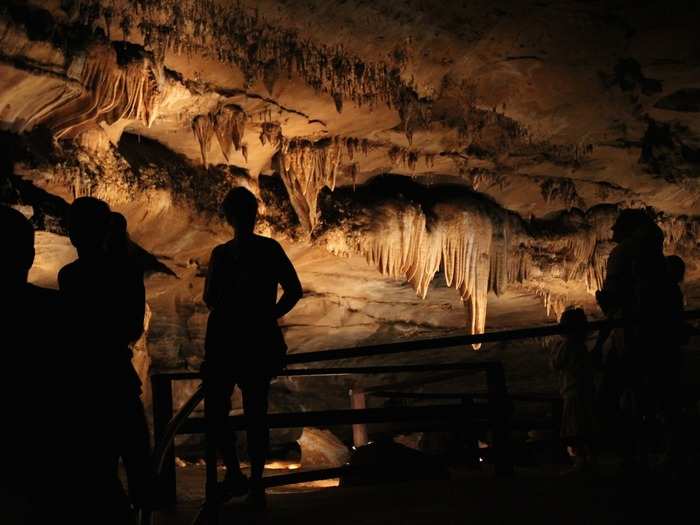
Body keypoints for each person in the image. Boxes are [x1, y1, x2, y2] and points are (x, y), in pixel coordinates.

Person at [203, 187, 302, 509]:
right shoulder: (267, 250)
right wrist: (266, 316)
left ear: (229, 217)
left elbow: (210, 297)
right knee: (254, 412)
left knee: (222, 411)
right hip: (254, 341)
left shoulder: (224, 254)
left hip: (228, 341)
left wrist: (256, 314)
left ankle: (237, 473)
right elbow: (293, 290)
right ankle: (252, 479)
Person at [58, 197, 151, 517]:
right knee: (136, 457)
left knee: (95, 467)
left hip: (84, 380)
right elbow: (132, 328)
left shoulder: (70, 277)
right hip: (116, 376)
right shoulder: (127, 271)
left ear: (72, 234)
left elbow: (71, 331)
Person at [551, 307, 595, 473]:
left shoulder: (567, 345)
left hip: (572, 392)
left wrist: (556, 347)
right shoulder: (581, 346)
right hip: (584, 390)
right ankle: (588, 459)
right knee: (583, 425)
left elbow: (556, 364)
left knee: (574, 428)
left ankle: (581, 461)